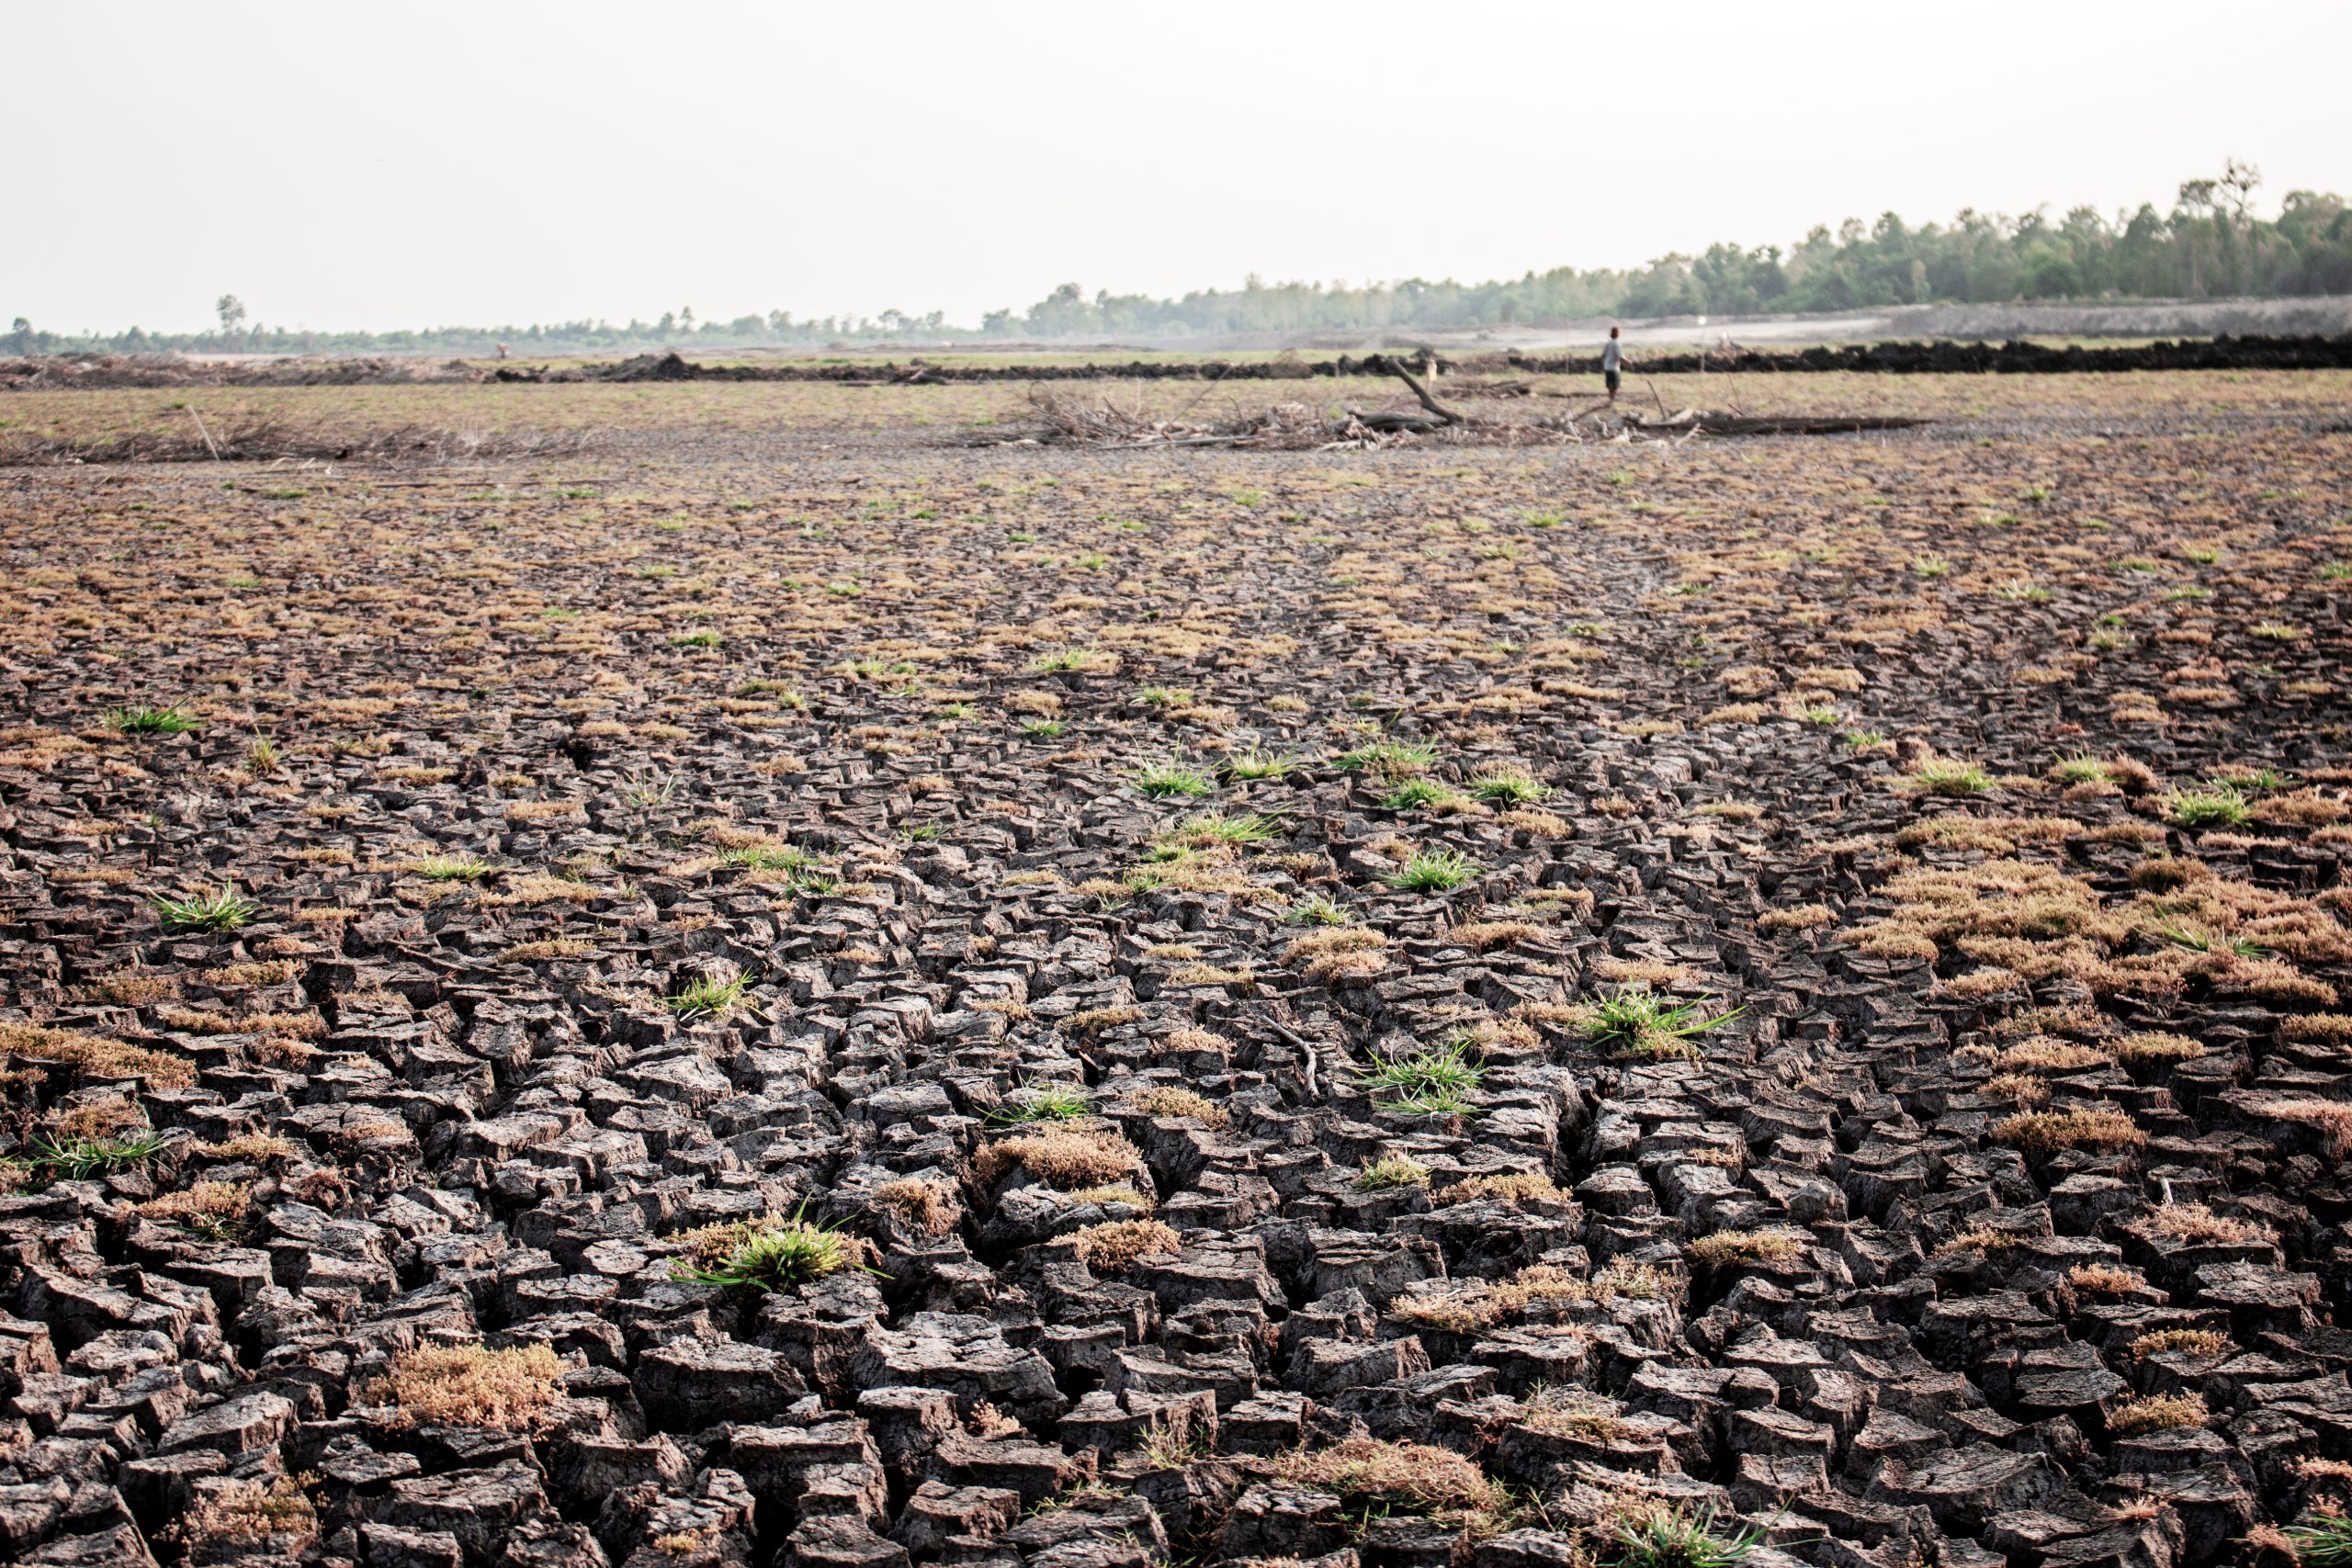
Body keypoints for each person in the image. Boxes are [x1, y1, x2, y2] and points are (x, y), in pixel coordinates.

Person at [1601, 326, 1624, 402]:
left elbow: (1602, 355)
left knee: (1610, 385)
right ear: (1618, 334)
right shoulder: (1617, 343)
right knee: (1615, 385)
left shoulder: (1608, 343)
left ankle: (1610, 399)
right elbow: (1620, 356)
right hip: (1614, 368)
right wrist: (1629, 362)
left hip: (1607, 367)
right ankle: (1612, 399)